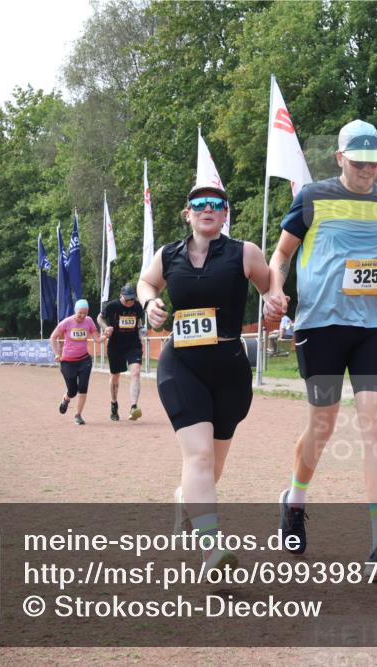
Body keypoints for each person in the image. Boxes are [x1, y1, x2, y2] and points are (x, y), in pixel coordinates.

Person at [264, 119, 377, 579]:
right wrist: (275, 290)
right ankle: (294, 500)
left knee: (376, 428)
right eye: (359, 162)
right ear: (339, 159)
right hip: (321, 324)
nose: (368, 169)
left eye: (374, 162)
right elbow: (282, 254)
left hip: (373, 325)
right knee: (323, 426)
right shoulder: (312, 197)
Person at [138, 181, 270, 571]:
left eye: (216, 204)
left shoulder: (244, 252)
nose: (207, 208)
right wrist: (150, 302)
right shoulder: (168, 255)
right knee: (198, 453)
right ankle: (212, 549)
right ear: (188, 213)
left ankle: (185, 496)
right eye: (199, 204)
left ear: (226, 214)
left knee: (212, 464)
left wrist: (276, 298)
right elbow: (147, 282)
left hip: (229, 366)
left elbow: (269, 283)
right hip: (182, 364)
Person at [49, 299, 103, 425]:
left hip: (84, 360)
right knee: (72, 391)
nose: (82, 316)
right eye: (80, 313)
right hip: (68, 362)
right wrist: (57, 353)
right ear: (75, 311)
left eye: (85, 313)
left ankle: (78, 415)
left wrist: (105, 335)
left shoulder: (89, 321)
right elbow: (53, 337)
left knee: (83, 388)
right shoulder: (67, 322)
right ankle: (66, 399)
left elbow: (97, 338)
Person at [98, 284, 146, 421]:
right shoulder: (112, 306)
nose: (130, 302)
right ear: (122, 296)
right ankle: (114, 403)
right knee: (115, 376)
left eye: (132, 299)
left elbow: (139, 321)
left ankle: (134, 406)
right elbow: (99, 318)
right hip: (115, 346)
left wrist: (141, 329)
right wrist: (106, 327)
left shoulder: (137, 306)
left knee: (136, 372)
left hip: (133, 345)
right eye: (127, 300)